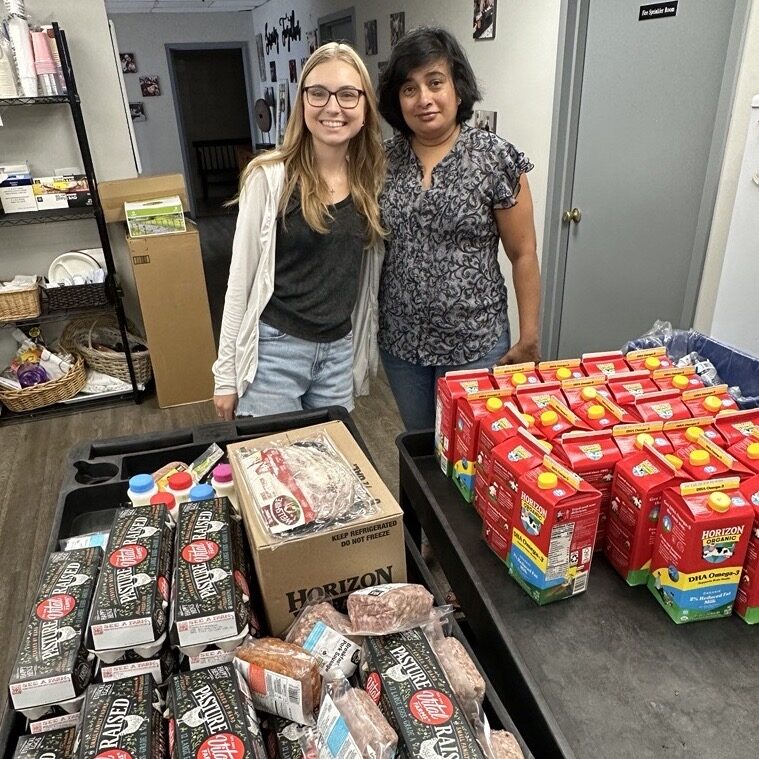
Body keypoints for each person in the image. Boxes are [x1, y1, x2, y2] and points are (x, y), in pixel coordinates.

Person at [377, 26, 542, 431]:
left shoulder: (496, 159)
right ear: (398, 100)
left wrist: (530, 336)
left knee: (469, 456)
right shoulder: (382, 162)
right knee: (419, 448)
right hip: (402, 343)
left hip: (476, 342)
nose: (424, 99)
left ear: (458, 87)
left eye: (435, 82)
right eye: (409, 89)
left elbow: (523, 253)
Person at [212, 43, 385, 420]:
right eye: (318, 93)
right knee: (274, 469)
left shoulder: (370, 180)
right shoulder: (271, 177)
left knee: (328, 469)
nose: (332, 107)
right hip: (275, 351)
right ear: (302, 101)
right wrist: (225, 375)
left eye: (348, 94)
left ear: (365, 106)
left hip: (338, 350)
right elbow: (239, 280)